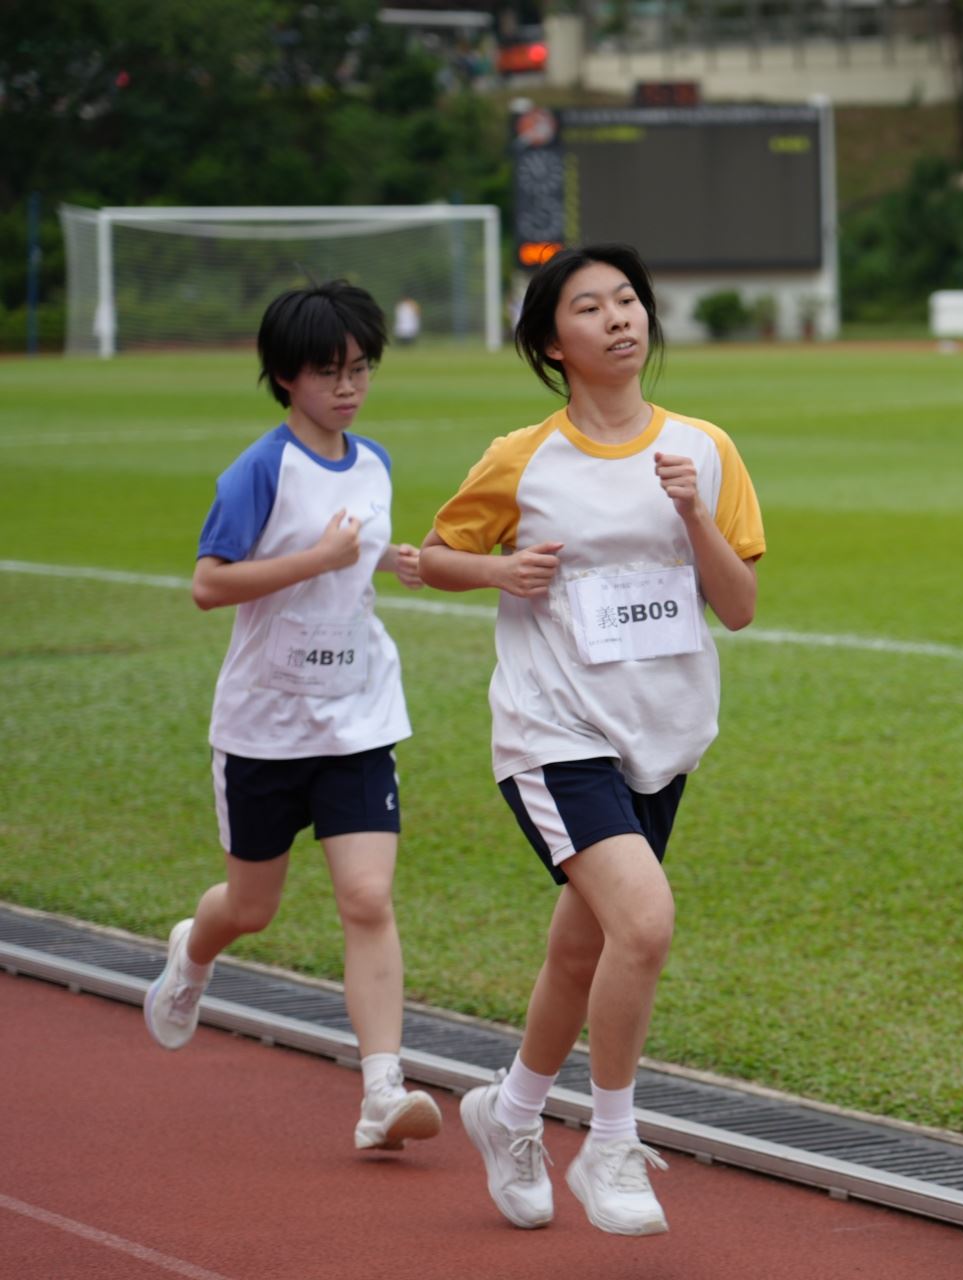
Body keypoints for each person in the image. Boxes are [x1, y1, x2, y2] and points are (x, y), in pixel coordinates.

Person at [419, 243, 764, 1236]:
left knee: (584, 948)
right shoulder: (522, 456)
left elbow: (739, 604)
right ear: (550, 344)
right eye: (589, 307)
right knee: (643, 924)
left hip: (661, 732)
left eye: (628, 300)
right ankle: (610, 1142)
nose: (618, 318)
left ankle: (510, 1111)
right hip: (553, 727)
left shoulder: (704, 447)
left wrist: (691, 513)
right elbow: (438, 556)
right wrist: (500, 571)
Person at [144, 281, 439, 1154]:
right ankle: (194, 951)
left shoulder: (375, 461)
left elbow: (356, 559)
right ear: (284, 376)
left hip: (359, 716)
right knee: (251, 906)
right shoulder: (259, 470)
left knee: (367, 897)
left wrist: (392, 562)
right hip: (264, 728)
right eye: (328, 372)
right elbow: (209, 585)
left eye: (361, 369)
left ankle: (382, 1091)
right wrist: (319, 558)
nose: (348, 387)